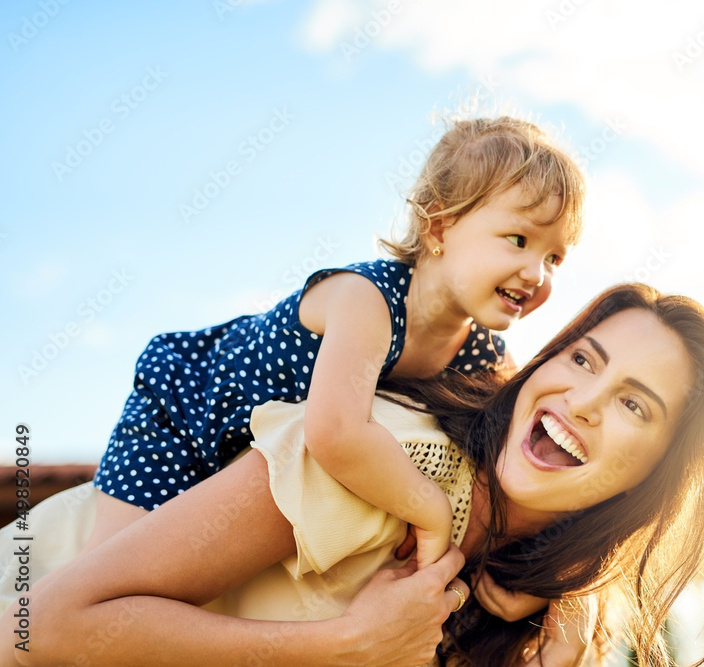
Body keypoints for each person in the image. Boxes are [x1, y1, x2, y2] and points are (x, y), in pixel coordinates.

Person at [8, 284, 704, 666]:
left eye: (635, 405)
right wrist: (345, 642)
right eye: (581, 358)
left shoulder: (543, 613)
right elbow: (43, 622)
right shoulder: (388, 458)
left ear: (656, 478)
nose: (585, 399)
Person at [88, 115, 586, 572]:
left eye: (556, 258)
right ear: (439, 226)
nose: (536, 273)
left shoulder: (485, 356)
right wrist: (428, 508)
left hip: (252, 460)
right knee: (108, 576)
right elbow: (337, 434)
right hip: (183, 404)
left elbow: (510, 466)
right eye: (519, 240)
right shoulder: (365, 299)